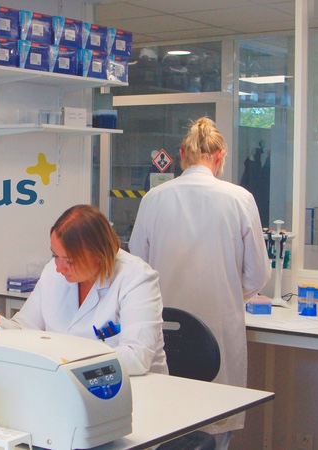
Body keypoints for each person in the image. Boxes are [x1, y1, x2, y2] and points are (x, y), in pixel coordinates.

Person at [128, 117, 270, 449]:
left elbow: (138, 265)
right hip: (218, 327)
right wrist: (230, 294)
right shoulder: (239, 199)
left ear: (182, 155)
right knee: (215, 424)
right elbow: (257, 275)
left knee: (166, 425)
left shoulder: (154, 198)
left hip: (163, 328)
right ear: (220, 157)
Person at [0, 204, 168, 376]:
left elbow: (136, 357)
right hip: (69, 385)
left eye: (69, 260)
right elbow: (24, 330)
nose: (58, 267)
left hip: (135, 390)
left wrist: (64, 357)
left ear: (98, 255)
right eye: (55, 255)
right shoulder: (54, 272)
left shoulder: (136, 278)